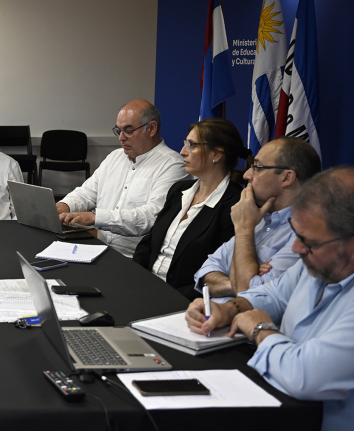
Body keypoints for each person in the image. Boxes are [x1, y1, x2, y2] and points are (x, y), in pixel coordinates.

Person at [186, 167, 354, 431]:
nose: (296, 248)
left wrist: (261, 331)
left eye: (307, 242)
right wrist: (233, 307)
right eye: (296, 234)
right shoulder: (326, 254)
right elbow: (276, 295)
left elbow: (306, 375)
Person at [56, 99, 186, 257]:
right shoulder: (115, 157)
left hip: (137, 258)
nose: (121, 138)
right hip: (100, 249)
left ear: (151, 129)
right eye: (119, 130)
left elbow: (151, 217)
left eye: (129, 131)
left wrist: (96, 218)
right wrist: (64, 205)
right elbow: (87, 192)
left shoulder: (172, 165)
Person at [132, 118, 245, 297]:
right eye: (186, 144)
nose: (182, 152)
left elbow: (216, 273)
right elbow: (150, 241)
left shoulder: (235, 205)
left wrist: (164, 296)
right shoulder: (179, 191)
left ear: (216, 154)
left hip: (184, 301)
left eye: (192, 145)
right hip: (146, 288)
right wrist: (136, 277)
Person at [194, 137, 320, 297]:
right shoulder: (258, 216)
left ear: (287, 178)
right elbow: (205, 273)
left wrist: (244, 229)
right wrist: (239, 281)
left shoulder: (308, 233)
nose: (246, 175)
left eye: (257, 167)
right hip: (214, 316)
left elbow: (253, 296)